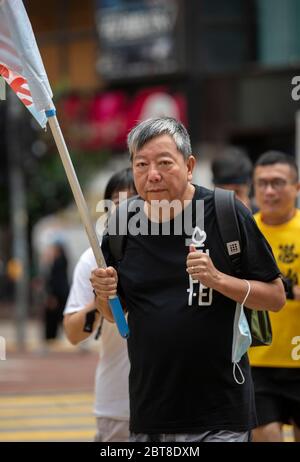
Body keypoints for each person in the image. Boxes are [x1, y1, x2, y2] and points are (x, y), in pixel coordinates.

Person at [90, 117, 285, 443]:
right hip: (151, 410)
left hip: (221, 410)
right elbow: (114, 314)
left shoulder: (226, 212)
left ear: (189, 165)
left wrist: (218, 279)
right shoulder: (121, 225)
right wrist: (103, 295)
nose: (152, 174)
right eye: (141, 164)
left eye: (164, 162)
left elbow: (275, 297)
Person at [63, 167, 136, 443]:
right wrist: (100, 301)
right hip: (118, 407)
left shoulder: (172, 251)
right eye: (118, 206)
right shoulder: (92, 261)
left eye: (135, 204)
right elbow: (72, 333)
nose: (127, 214)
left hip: (174, 405)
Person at [249, 151, 300, 442]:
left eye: (278, 183)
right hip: (257, 362)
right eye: (262, 183)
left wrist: (283, 290)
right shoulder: (245, 230)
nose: (269, 191)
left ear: (296, 187)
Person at [43, 242, 70, 342]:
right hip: (60, 294)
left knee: (55, 318)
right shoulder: (61, 261)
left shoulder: (58, 262)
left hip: (58, 295)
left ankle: (51, 338)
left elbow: (54, 280)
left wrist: (52, 296)